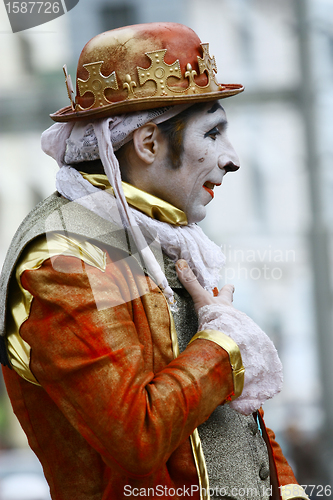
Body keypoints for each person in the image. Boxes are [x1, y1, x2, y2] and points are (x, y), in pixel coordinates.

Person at [0, 22, 308, 500]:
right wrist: (221, 342)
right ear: (147, 144)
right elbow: (135, 435)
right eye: (214, 132)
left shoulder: (155, 233)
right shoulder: (67, 260)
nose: (232, 159)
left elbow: (235, 426)